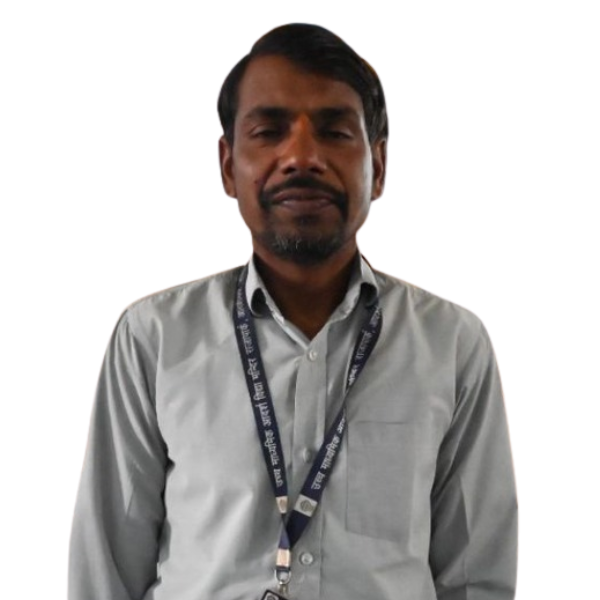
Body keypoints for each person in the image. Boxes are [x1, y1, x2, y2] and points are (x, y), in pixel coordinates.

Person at [69, 23, 518, 600]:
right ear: (228, 165)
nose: (302, 156)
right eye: (269, 131)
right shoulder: (153, 339)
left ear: (378, 166)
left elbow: (476, 578)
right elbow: (105, 572)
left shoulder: (452, 346)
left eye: (334, 131)